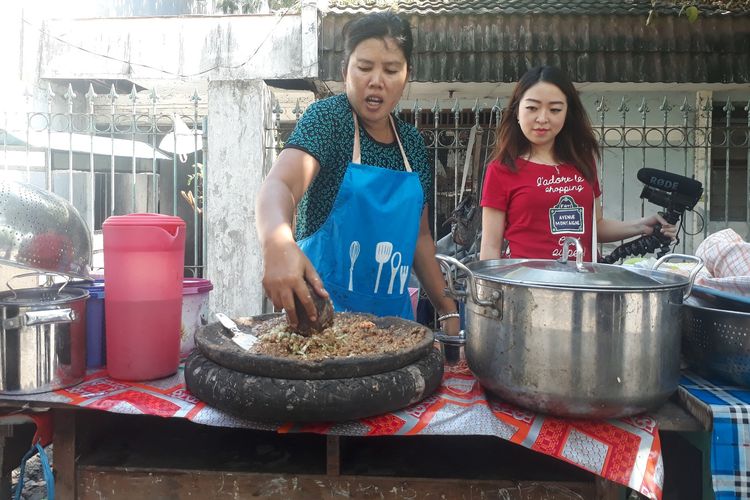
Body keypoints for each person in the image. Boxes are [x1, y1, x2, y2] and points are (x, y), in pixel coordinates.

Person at [255, 12, 460, 335]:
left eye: (391, 70)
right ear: (344, 71)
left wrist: (448, 312)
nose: (376, 80)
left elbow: (420, 238)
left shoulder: (413, 145)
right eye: (364, 67)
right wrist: (277, 243)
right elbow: (281, 183)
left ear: (406, 76)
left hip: (394, 328)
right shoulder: (329, 121)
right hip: (322, 324)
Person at [479, 65, 677, 262]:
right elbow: (490, 246)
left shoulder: (582, 162)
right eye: (532, 108)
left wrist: (642, 226)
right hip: (526, 286)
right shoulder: (501, 170)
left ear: (567, 113)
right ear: (516, 111)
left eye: (555, 109)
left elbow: (595, 226)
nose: (542, 118)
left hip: (582, 285)